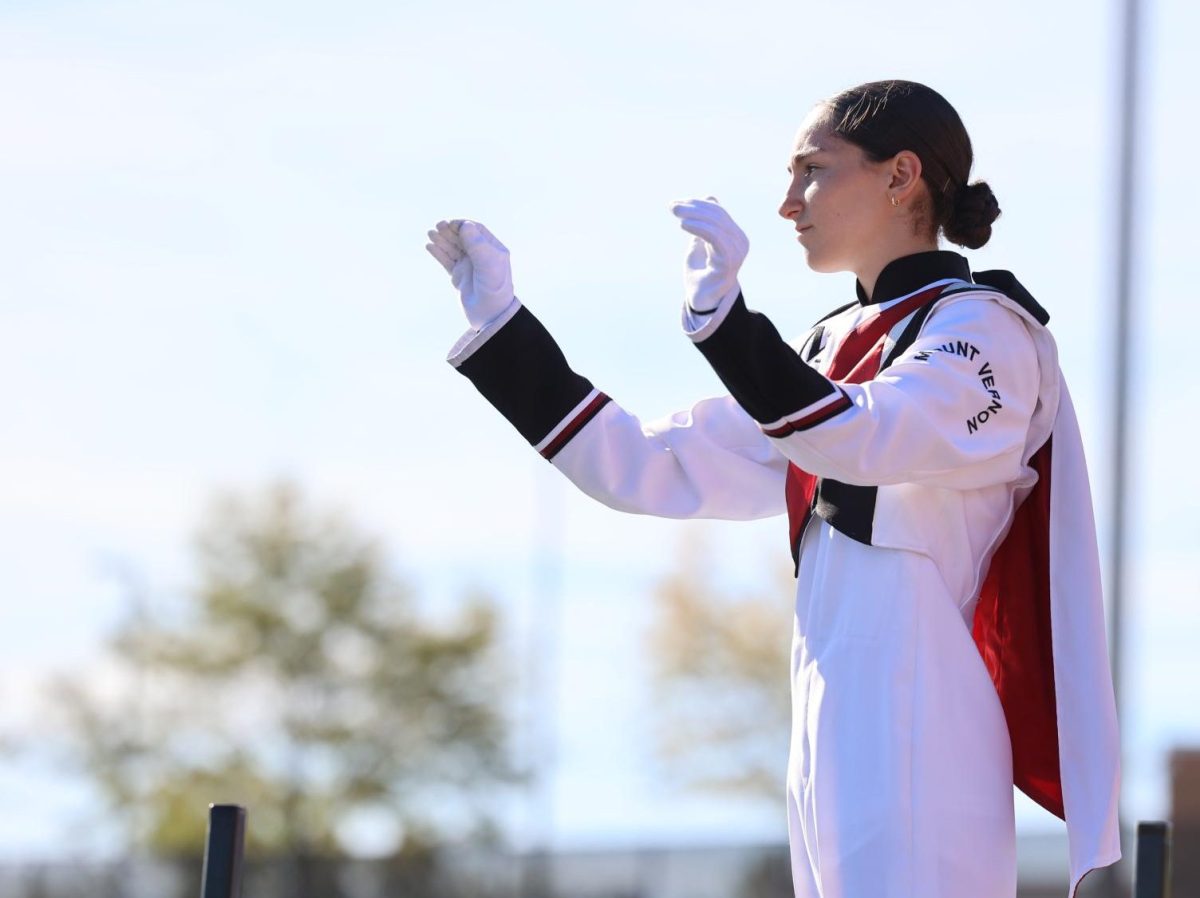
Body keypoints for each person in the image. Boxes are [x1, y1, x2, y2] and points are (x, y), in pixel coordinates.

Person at [424, 80, 1120, 898]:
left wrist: (727, 325)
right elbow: (654, 467)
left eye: (811, 172)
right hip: (828, 710)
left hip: (920, 714)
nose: (788, 204)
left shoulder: (985, 329)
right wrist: (506, 330)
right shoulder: (828, 348)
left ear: (902, 176)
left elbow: (867, 434)